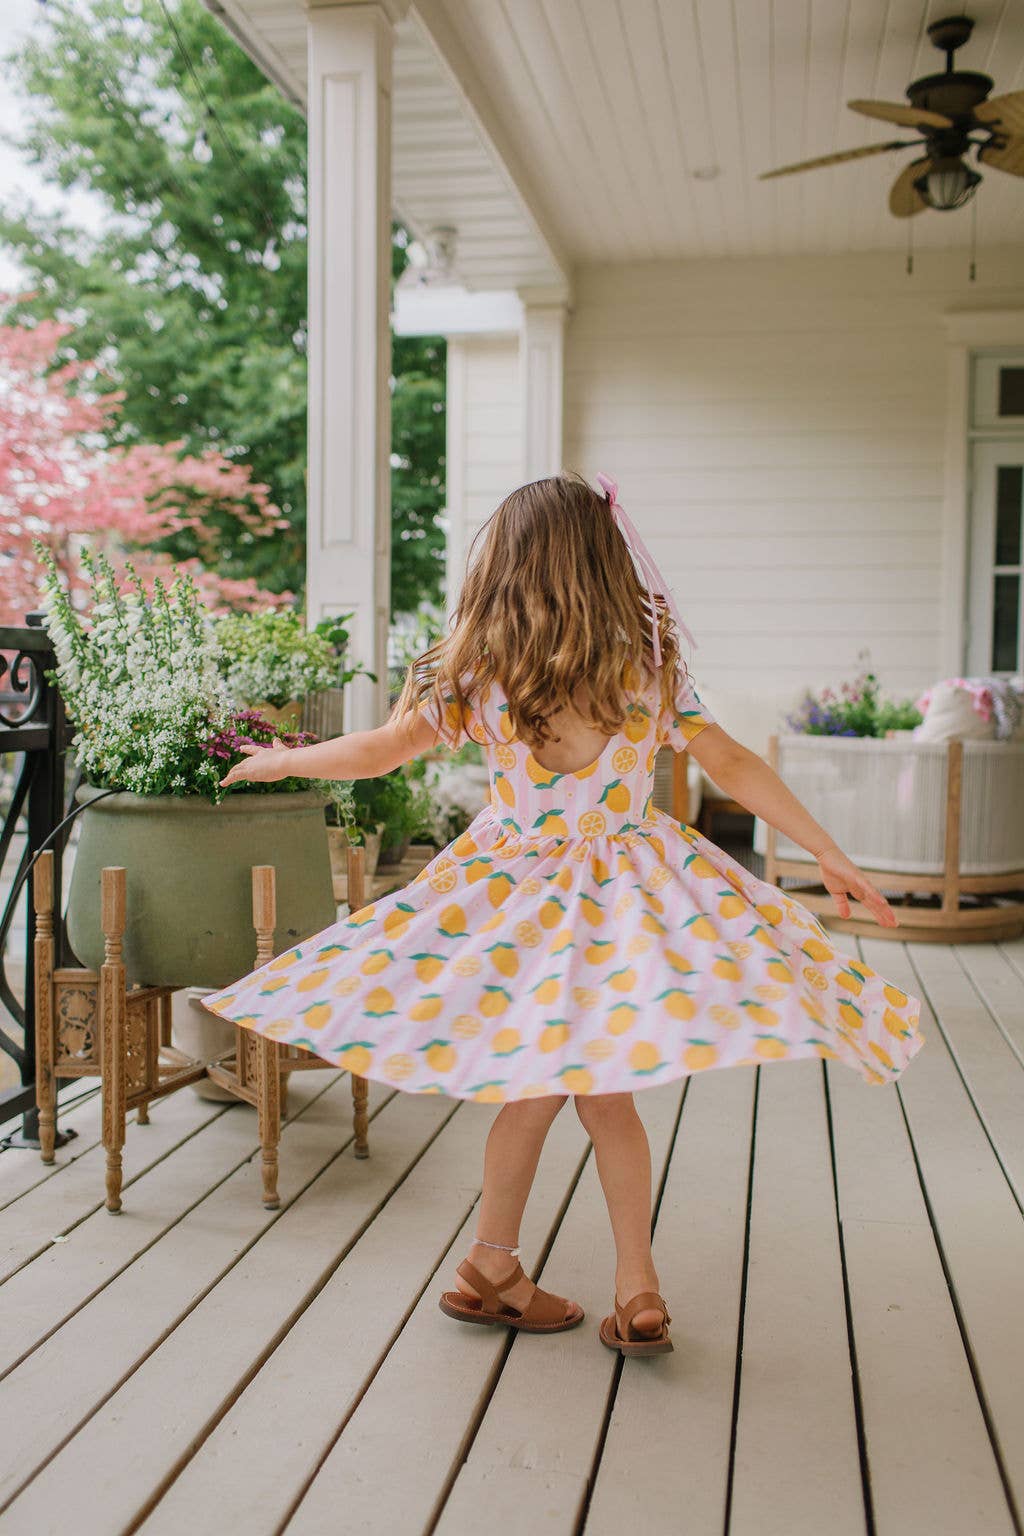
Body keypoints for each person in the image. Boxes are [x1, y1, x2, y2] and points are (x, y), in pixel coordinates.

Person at [203, 472, 924, 1357]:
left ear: (505, 569)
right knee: (599, 1095)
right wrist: (826, 850)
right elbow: (734, 764)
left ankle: (509, 1268)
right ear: (605, 565)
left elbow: (382, 751)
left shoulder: (480, 678)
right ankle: (619, 1284)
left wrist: (286, 760)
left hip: (521, 910)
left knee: (541, 1086)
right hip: (627, 906)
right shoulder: (645, 672)